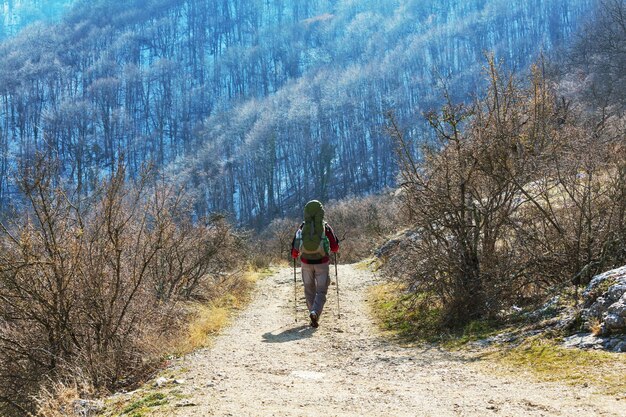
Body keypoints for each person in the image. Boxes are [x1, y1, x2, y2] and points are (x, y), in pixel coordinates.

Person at [291, 200, 339, 328]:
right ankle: (315, 312)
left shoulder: (302, 227)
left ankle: (312, 312)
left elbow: (294, 250)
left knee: (308, 289)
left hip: (306, 262)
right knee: (321, 291)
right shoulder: (326, 227)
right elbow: (335, 247)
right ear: (321, 212)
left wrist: (296, 254)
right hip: (322, 263)